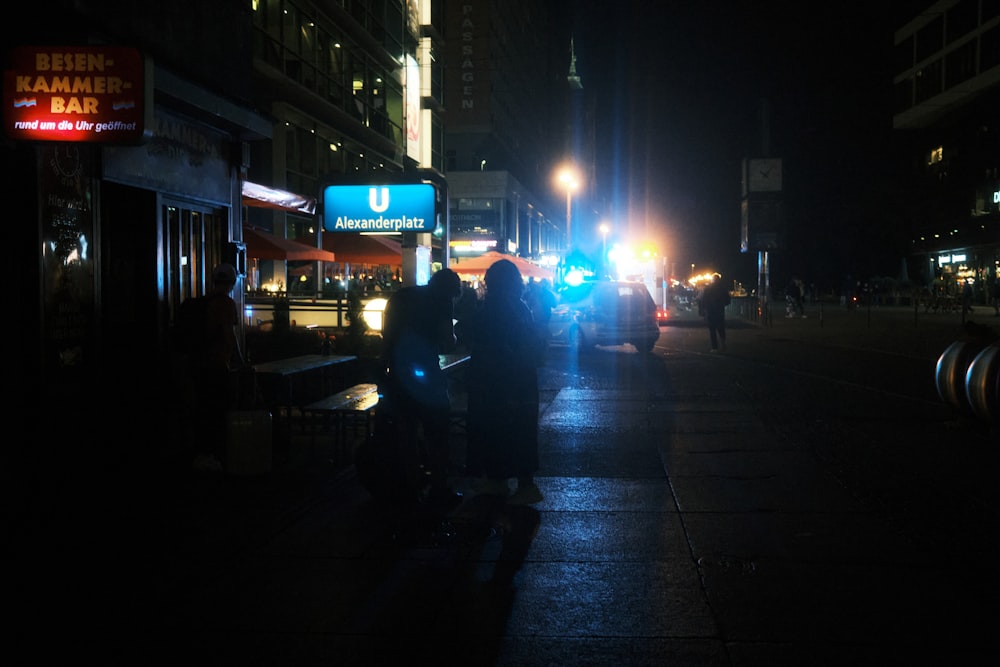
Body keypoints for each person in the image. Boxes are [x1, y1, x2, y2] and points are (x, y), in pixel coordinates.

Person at [377, 267, 463, 508]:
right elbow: (447, 341)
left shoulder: (401, 297)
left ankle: (411, 486)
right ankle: (439, 487)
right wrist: (455, 339)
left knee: (407, 432)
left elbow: (387, 336)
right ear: (452, 290)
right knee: (437, 433)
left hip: (397, 375)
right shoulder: (442, 301)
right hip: (427, 377)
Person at [466, 259, 546, 505]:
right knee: (520, 430)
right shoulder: (520, 307)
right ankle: (523, 482)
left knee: (495, 428)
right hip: (521, 378)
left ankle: (498, 480)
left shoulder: (494, 307)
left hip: (497, 380)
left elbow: (480, 337)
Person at [190, 262, 246, 471]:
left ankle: (200, 454)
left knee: (202, 409)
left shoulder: (204, 303)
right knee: (217, 410)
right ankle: (214, 454)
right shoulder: (226, 304)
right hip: (217, 365)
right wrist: (239, 359)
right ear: (231, 283)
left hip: (197, 364)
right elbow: (228, 334)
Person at [700, 273, 730, 352]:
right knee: (721, 328)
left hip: (710, 311)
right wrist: (722, 304)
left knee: (712, 330)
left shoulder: (708, 288)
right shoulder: (723, 288)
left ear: (712, 280)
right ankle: (723, 344)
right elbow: (728, 300)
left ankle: (714, 347)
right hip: (720, 310)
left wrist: (703, 310)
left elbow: (704, 300)